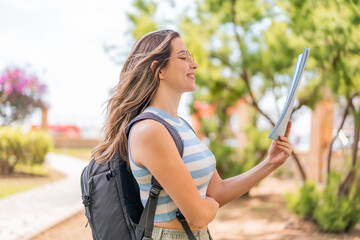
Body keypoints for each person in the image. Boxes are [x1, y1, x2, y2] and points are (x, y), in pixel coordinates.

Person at [92, 29, 293, 240]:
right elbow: (198, 216)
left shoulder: (181, 126)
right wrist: (208, 207)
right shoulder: (149, 130)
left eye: (191, 57)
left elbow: (218, 191)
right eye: (182, 57)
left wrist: (270, 163)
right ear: (158, 70)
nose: (193, 64)